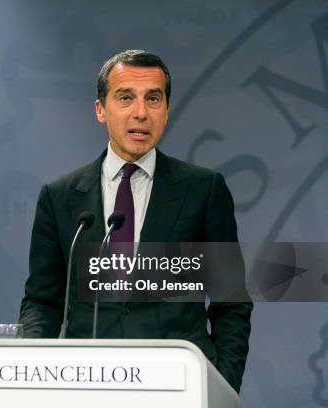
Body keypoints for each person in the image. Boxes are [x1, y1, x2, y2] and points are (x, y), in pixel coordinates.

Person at [18, 50, 252, 393]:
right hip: (87, 386)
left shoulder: (203, 190)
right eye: (125, 97)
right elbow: (43, 301)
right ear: (100, 109)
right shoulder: (60, 197)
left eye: (153, 99)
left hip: (179, 389)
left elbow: (230, 302)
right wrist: (29, 372)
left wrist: (222, 386)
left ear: (166, 111)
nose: (141, 113)